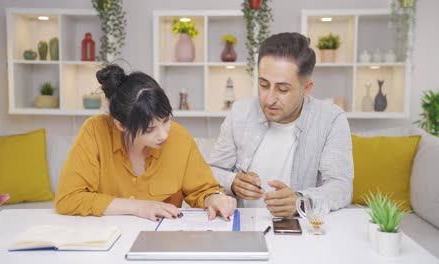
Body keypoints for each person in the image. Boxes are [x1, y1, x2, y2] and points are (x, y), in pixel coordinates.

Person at [55, 64, 236, 221]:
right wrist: (138, 207)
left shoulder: (179, 138)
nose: (163, 134)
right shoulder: (95, 131)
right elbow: (68, 198)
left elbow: (204, 189)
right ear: (121, 124)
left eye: (165, 120)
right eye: (150, 129)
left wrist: (215, 198)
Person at [208, 32, 353, 217]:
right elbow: (212, 170)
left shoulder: (331, 119)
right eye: (263, 85)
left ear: (306, 89)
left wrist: (301, 201)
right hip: (244, 226)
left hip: (303, 231)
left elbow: (341, 187)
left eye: (282, 89)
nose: (269, 99)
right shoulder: (240, 112)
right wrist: (233, 182)